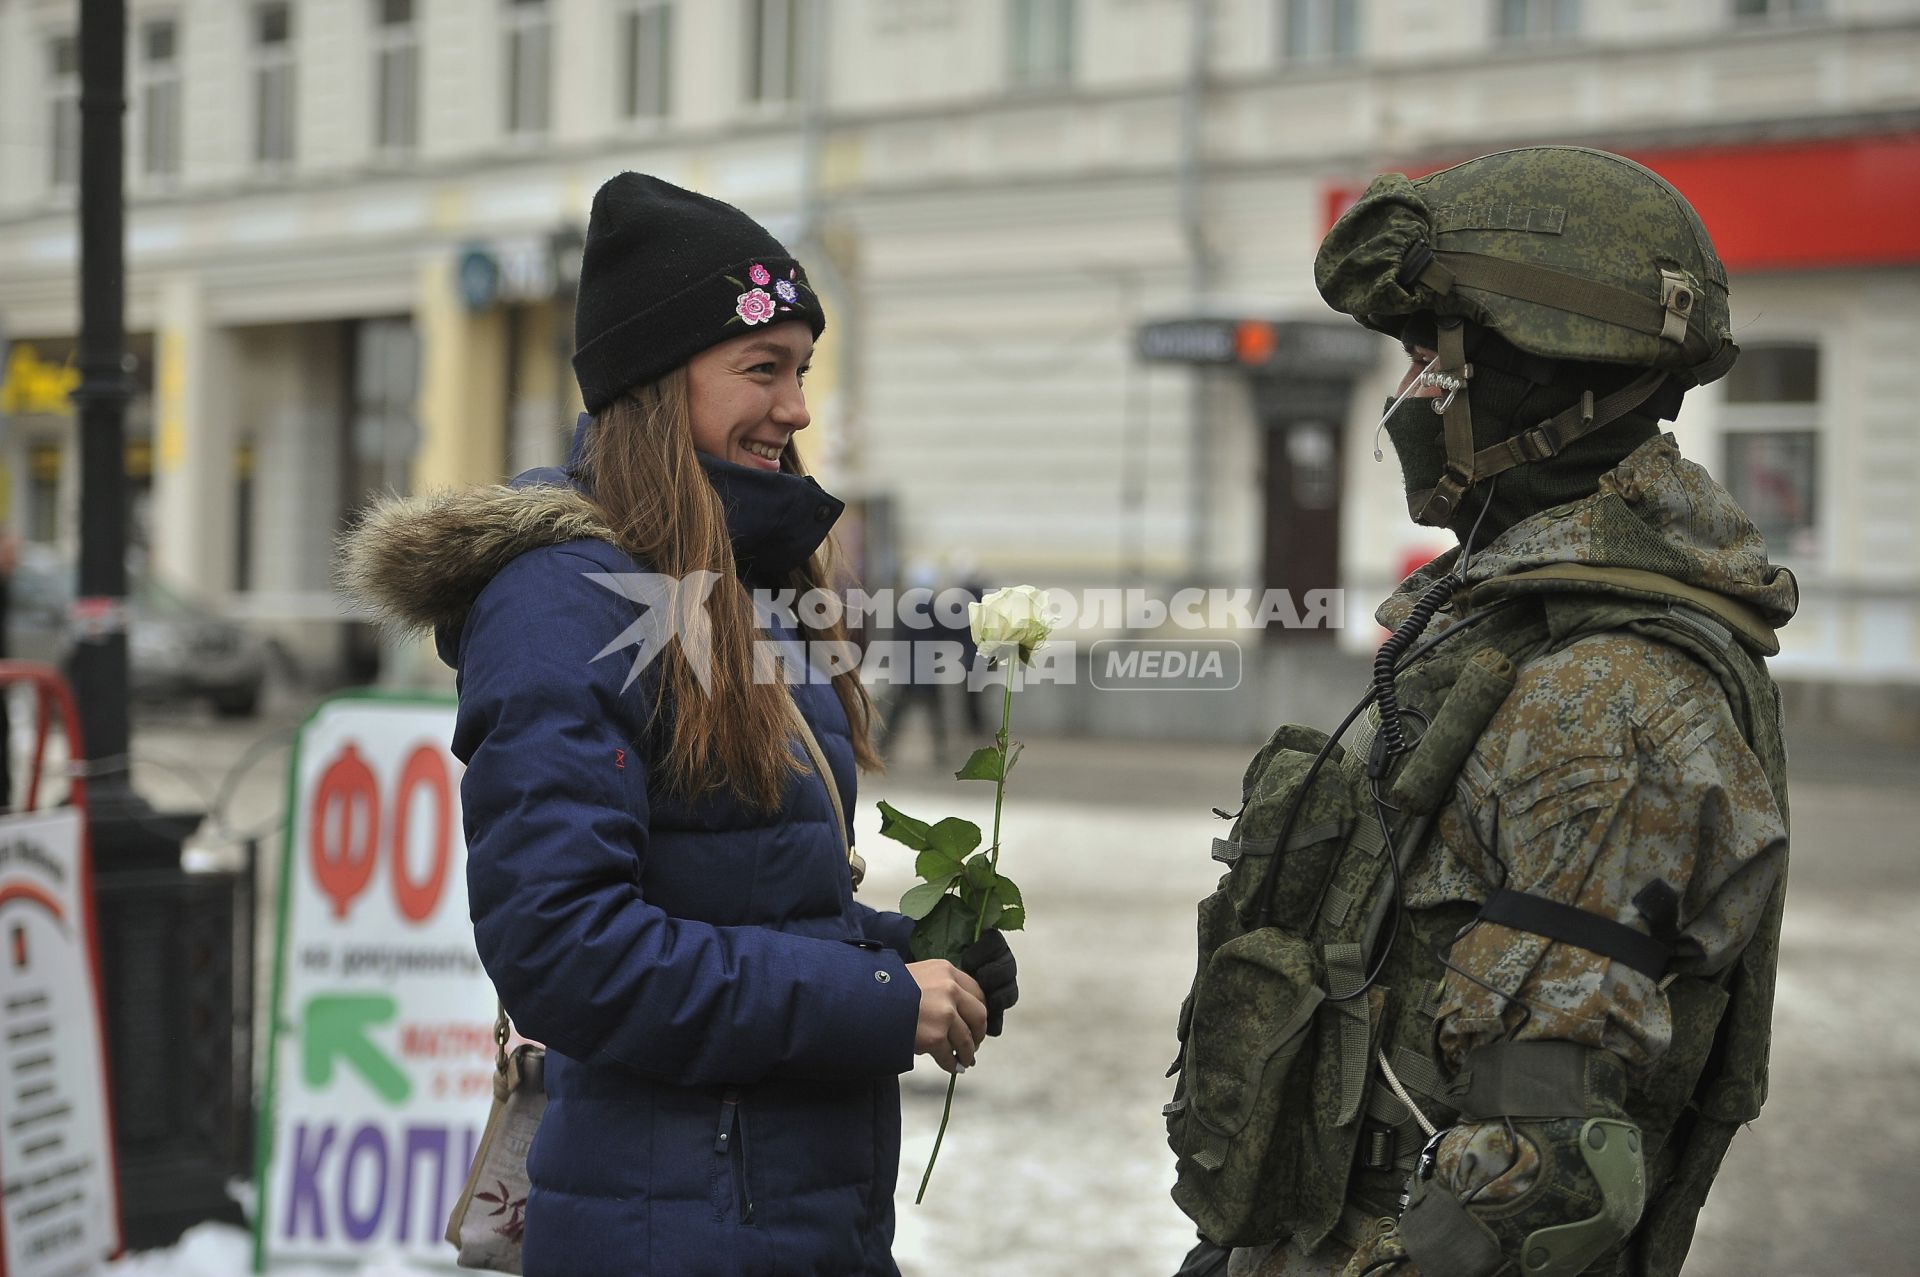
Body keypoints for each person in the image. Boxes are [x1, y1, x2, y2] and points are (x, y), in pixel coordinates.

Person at [343, 174, 1018, 1276]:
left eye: (801, 370)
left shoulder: (737, 583)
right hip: (676, 1225)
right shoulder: (563, 603)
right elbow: (567, 950)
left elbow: (739, 888)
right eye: (764, 369)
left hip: (796, 1214)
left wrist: (911, 952)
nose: (796, 408)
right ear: (658, 385)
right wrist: (877, 999)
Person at [1165, 147, 1793, 1277]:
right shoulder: (1499, 623)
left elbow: (1547, 1163)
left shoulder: (1614, 697)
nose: (1410, 399)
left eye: (1432, 361)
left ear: (1545, 379)